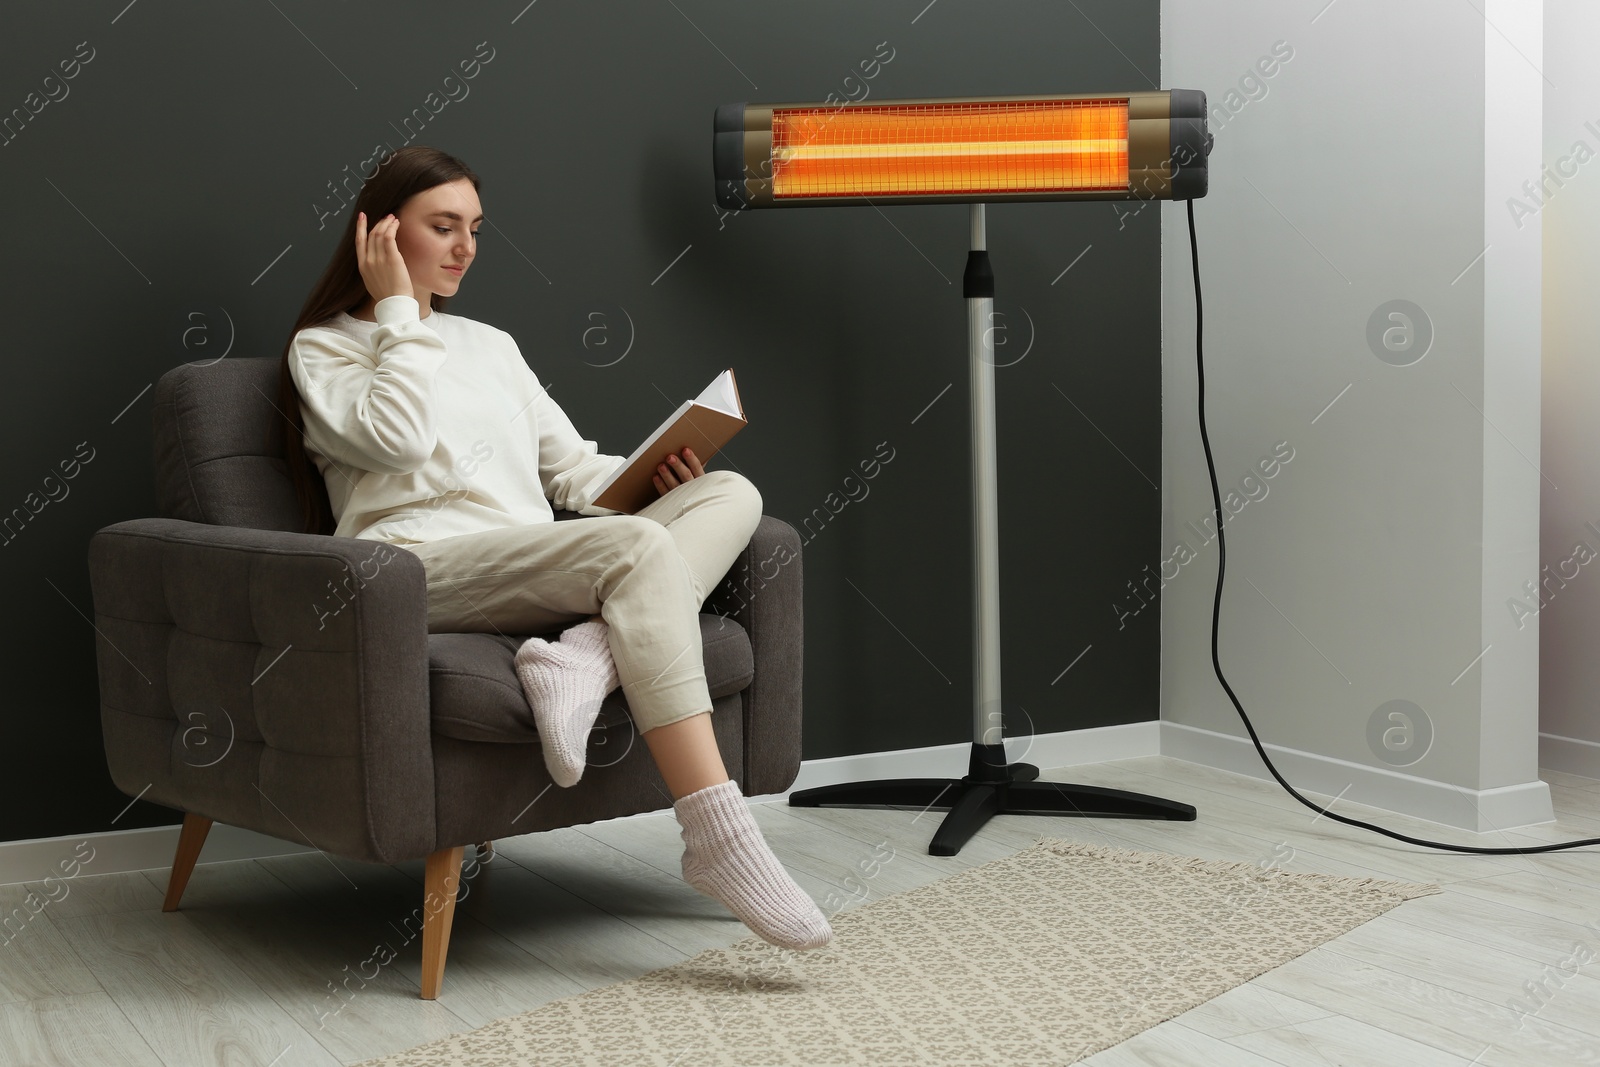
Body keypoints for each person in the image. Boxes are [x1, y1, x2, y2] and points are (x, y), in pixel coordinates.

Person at [271, 145, 830, 952]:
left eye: (475, 228)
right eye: (443, 227)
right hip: (413, 572)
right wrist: (398, 313)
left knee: (732, 493)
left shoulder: (490, 343)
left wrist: (658, 470)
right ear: (383, 235)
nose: (466, 247)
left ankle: (582, 658)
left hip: (527, 554)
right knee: (635, 551)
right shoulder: (323, 349)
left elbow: (573, 473)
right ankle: (719, 835)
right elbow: (396, 441)